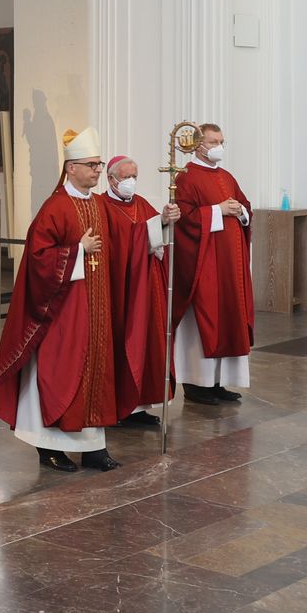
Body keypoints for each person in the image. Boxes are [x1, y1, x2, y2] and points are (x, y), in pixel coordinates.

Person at [0, 129, 129, 473]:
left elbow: (124, 241)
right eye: (91, 165)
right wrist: (78, 251)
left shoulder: (97, 204)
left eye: (98, 164)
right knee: (59, 375)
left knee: (96, 373)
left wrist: (157, 230)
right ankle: (48, 448)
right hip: (60, 314)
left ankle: (94, 446)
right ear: (71, 169)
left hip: (95, 308)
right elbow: (38, 259)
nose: (98, 170)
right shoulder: (55, 207)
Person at [170, 123, 254, 406]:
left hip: (230, 266)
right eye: (213, 141)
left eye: (221, 141)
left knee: (228, 319)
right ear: (197, 144)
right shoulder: (185, 178)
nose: (219, 146)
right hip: (203, 265)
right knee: (204, 321)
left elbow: (244, 206)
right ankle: (196, 384)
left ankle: (217, 383)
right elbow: (184, 219)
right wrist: (218, 210)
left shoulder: (226, 177)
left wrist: (240, 211)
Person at [102, 154, 180, 429]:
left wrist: (167, 221)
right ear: (111, 179)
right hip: (120, 291)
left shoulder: (143, 204)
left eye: (134, 176)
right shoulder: (101, 207)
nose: (130, 182)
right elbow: (118, 246)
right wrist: (155, 227)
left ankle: (139, 406)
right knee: (124, 343)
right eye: (125, 177)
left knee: (148, 343)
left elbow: (156, 240)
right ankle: (121, 407)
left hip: (147, 289)